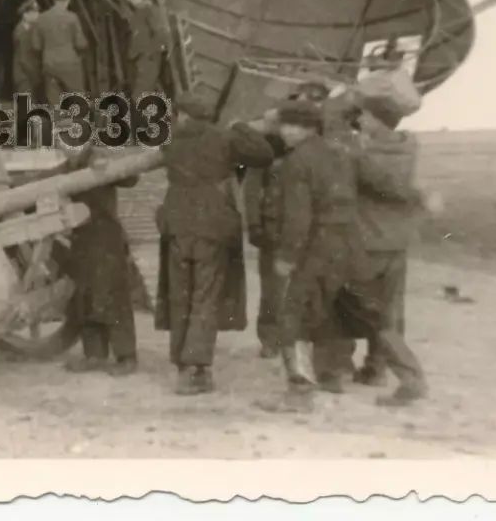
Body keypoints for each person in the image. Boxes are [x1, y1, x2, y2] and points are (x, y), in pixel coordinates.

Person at [258, 100, 433, 414]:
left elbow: (298, 217)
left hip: (316, 249)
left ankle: (300, 391)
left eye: (286, 125)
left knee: (293, 316)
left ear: (303, 128)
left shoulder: (296, 162)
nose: (282, 132)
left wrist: (287, 255)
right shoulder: (344, 152)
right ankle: (412, 379)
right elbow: (385, 184)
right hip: (349, 246)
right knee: (371, 313)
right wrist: (421, 197)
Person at [154, 93, 276, 395]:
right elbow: (264, 154)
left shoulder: (170, 141)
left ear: (183, 115)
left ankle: (183, 363)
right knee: (205, 297)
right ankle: (195, 369)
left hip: (177, 224)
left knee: (181, 294)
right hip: (213, 225)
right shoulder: (225, 139)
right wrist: (240, 127)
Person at [347, 96, 421, 389]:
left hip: (366, 234)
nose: (361, 120)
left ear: (376, 119)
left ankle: (344, 368)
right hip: (398, 236)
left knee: (357, 304)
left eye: (365, 116)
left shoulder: (359, 151)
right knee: (391, 306)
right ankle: (377, 367)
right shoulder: (410, 146)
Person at [62, 144, 141, 376]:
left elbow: (131, 178)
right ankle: (94, 355)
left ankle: (126, 356)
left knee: (114, 298)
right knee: (86, 297)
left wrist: (108, 166)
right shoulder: (68, 166)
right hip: (82, 239)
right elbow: (43, 180)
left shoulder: (99, 156)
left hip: (106, 238)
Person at [242, 126, 290, 358]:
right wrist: (254, 225)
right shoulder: (265, 148)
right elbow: (251, 191)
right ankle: (270, 339)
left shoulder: (307, 148)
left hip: (301, 229)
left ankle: (294, 339)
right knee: (272, 289)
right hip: (273, 230)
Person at [31, 0, 89, 112]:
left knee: (54, 101)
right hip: (69, 63)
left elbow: (36, 46)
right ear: (68, 0)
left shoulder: (41, 19)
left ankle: (57, 129)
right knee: (77, 97)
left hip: (49, 64)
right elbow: (81, 43)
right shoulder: (72, 17)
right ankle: (81, 127)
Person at [124, 0, 170, 128]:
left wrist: (151, 52)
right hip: (142, 58)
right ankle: (149, 129)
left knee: (140, 95)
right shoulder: (140, 11)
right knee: (144, 93)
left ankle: (145, 130)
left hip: (148, 58)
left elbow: (160, 33)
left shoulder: (148, 10)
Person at [13, 0, 43, 100]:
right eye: (34, 13)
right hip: (25, 75)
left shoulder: (30, 29)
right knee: (26, 107)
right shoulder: (22, 32)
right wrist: (35, 76)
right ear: (25, 15)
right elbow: (23, 58)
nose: (38, 15)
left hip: (29, 74)